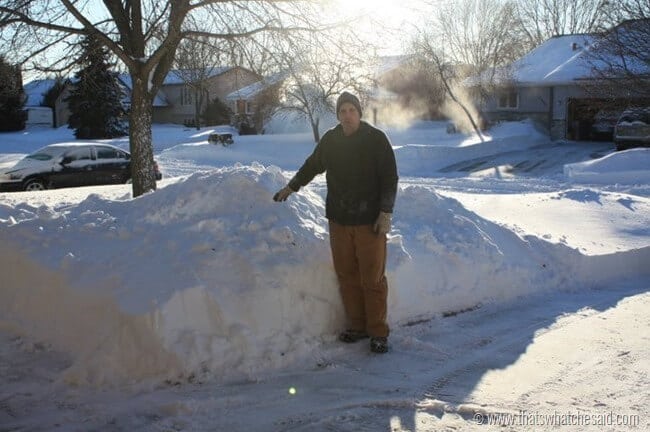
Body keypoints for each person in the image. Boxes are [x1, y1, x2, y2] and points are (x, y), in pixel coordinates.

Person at [273, 91, 398, 353]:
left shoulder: (376, 139)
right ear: (338, 115)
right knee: (347, 276)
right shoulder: (331, 140)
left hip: (369, 223)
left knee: (372, 278)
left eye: (352, 110)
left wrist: (385, 212)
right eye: (342, 111)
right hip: (339, 221)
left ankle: (377, 332)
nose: (347, 115)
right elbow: (312, 165)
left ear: (359, 113)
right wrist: (291, 187)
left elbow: (389, 177)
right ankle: (357, 326)